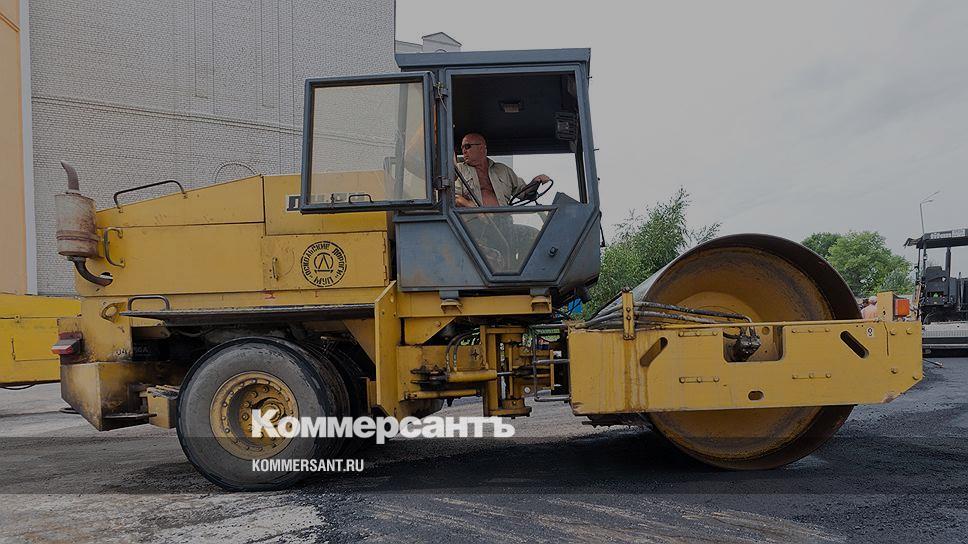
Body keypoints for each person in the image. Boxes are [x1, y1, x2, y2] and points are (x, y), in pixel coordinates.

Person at [455, 133, 550, 207]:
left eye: (467, 146)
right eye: (462, 148)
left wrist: (535, 181)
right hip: (471, 223)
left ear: (481, 147)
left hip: (504, 222)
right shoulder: (459, 170)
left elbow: (523, 193)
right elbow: (453, 197)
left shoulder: (503, 170)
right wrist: (475, 209)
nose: (464, 151)